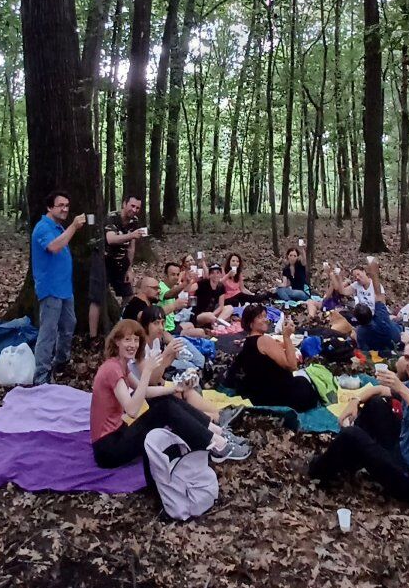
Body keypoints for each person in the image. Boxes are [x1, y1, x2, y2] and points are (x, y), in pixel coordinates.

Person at [308, 340, 409, 501]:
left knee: (352, 435)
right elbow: (378, 389)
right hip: (402, 454)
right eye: (407, 358)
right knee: (376, 404)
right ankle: (348, 460)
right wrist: (355, 401)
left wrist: (403, 391)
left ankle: (316, 472)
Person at [90, 321, 249, 467]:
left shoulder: (119, 364)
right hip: (108, 449)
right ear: (117, 342)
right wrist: (147, 372)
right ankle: (217, 446)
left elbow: (143, 390)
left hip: (119, 433)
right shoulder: (112, 369)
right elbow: (131, 410)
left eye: (136, 340)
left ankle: (218, 432)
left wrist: (175, 388)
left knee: (163, 400)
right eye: (127, 340)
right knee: (164, 409)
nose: (133, 345)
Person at [30, 190, 86, 385]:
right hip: (50, 289)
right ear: (49, 207)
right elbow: (53, 247)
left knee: (69, 325)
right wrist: (73, 227)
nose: (64, 209)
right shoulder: (42, 228)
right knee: (48, 332)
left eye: (67, 206)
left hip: (64, 289)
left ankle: (61, 361)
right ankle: (42, 376)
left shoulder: (58, 227)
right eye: (60, 205)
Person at [229, 304, 322, 412]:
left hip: (259, 395)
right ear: (250, 324)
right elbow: (292, 366)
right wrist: (287, 337)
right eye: (259, 317)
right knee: (303, 381)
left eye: (265, 316)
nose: (265, 320)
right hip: (277, 396)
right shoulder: (264, 340)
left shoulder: (247, 343)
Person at [100, 194, 144, 321]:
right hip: (105, 261)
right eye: (132, 206)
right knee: (98, 298)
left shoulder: (134, 221)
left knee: (128, 294)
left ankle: (122, 320)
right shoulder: (112, 217)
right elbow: (111, 239)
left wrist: (129, 268)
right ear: (124, 204)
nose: (134, 210)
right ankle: (94, 334)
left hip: (121, 262)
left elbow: (131, 247)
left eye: (137, 208)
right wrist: (131, 235)